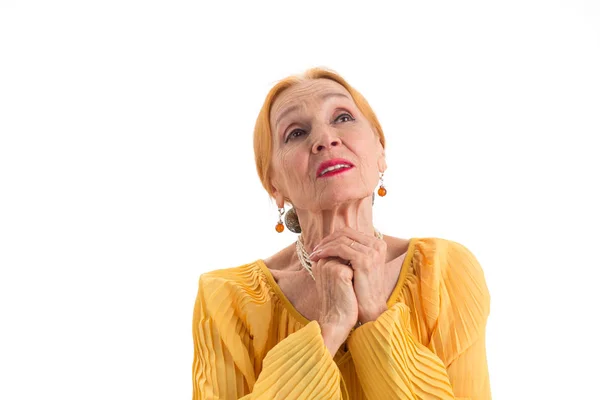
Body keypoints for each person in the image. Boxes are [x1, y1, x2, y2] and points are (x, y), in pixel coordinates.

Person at [191, 67, 492, 399]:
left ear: (380, 150)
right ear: (273, 184)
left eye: (343, 117)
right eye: (295, 133)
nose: (325, 139)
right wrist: (331, 326)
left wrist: (375, 313)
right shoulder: (226, 298)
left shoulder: (444, 271)